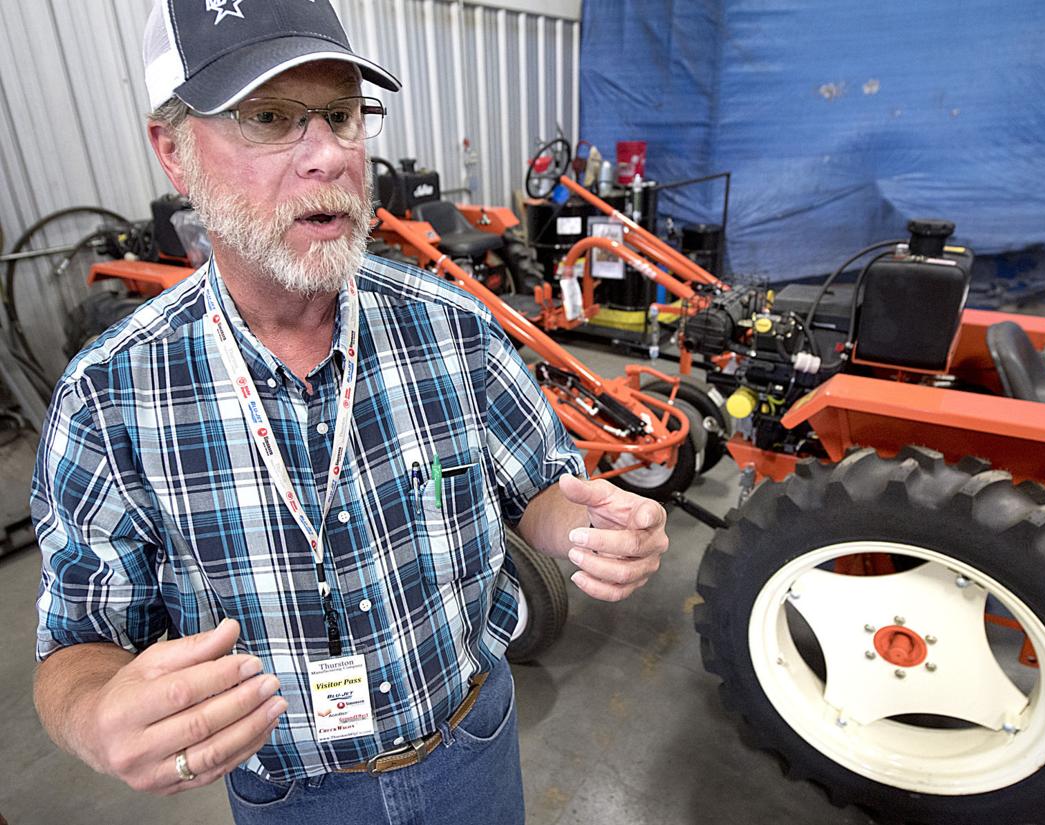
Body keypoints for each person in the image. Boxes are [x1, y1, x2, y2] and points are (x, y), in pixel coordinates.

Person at [29, 2, 669, 823]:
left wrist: (588, 527)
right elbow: (76, 638)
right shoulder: (113, 393)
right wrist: (93, 713)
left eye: (339, 114)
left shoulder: (452, 327)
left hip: (470, 744)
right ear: (174, 152)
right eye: (268, 118)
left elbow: (537, 490)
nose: (328, 155)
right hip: (292, 793)